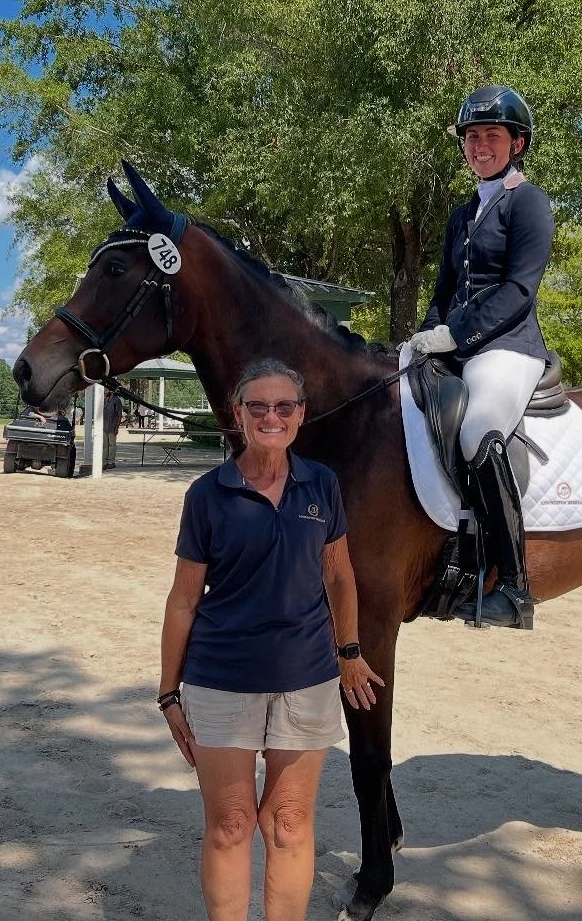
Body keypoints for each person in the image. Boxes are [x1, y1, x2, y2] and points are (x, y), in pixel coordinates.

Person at [158, 358, 384, 921]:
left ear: (300, 415)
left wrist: (350, 651)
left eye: (283, 407)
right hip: (221, 681)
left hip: (305, 680)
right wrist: (168, 693)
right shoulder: (208, 494)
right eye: (257, 406)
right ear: (238, 414)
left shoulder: (322, 484)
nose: (270, 417)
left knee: (287, 824)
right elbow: (184, 598)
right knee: (231, 825)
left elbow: (339, 574)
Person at [410, 85, 553, 630]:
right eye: (472, 137)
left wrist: (455, 336)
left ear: (517, 144)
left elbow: (520, 289)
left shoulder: (529, 202)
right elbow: (443, 290)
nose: (480, 145)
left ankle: (514, 590)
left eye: (492, 135)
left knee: (478, 432)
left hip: (508, 348)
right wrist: (424, 337)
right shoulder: (462, 212)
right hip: (457, 343)